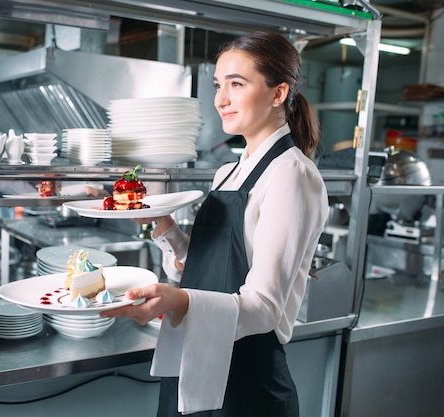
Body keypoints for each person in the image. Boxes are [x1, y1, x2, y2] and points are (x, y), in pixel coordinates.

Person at [101, 31, 329, 417]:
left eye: (236, 84)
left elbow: (263, 307)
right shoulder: (228, 172)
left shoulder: (291, 175)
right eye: (218, 85)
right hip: (197, 358)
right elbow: (210, 266)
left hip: (246, 382)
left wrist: (179, 301)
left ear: (278, 93)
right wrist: (162, 223)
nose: (220, 100)